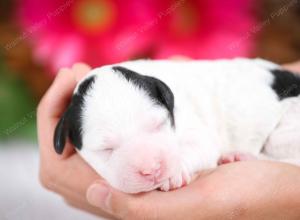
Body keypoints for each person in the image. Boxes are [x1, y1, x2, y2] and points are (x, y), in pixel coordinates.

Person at [38, 61, 300, 220]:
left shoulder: (168, 91)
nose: (149, 167)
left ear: (167, 100)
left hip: (284, 110)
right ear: (65, 137)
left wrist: (184, 165)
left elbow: (204, 141)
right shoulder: (127, 98)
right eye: (107, 148)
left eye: (157, 125)